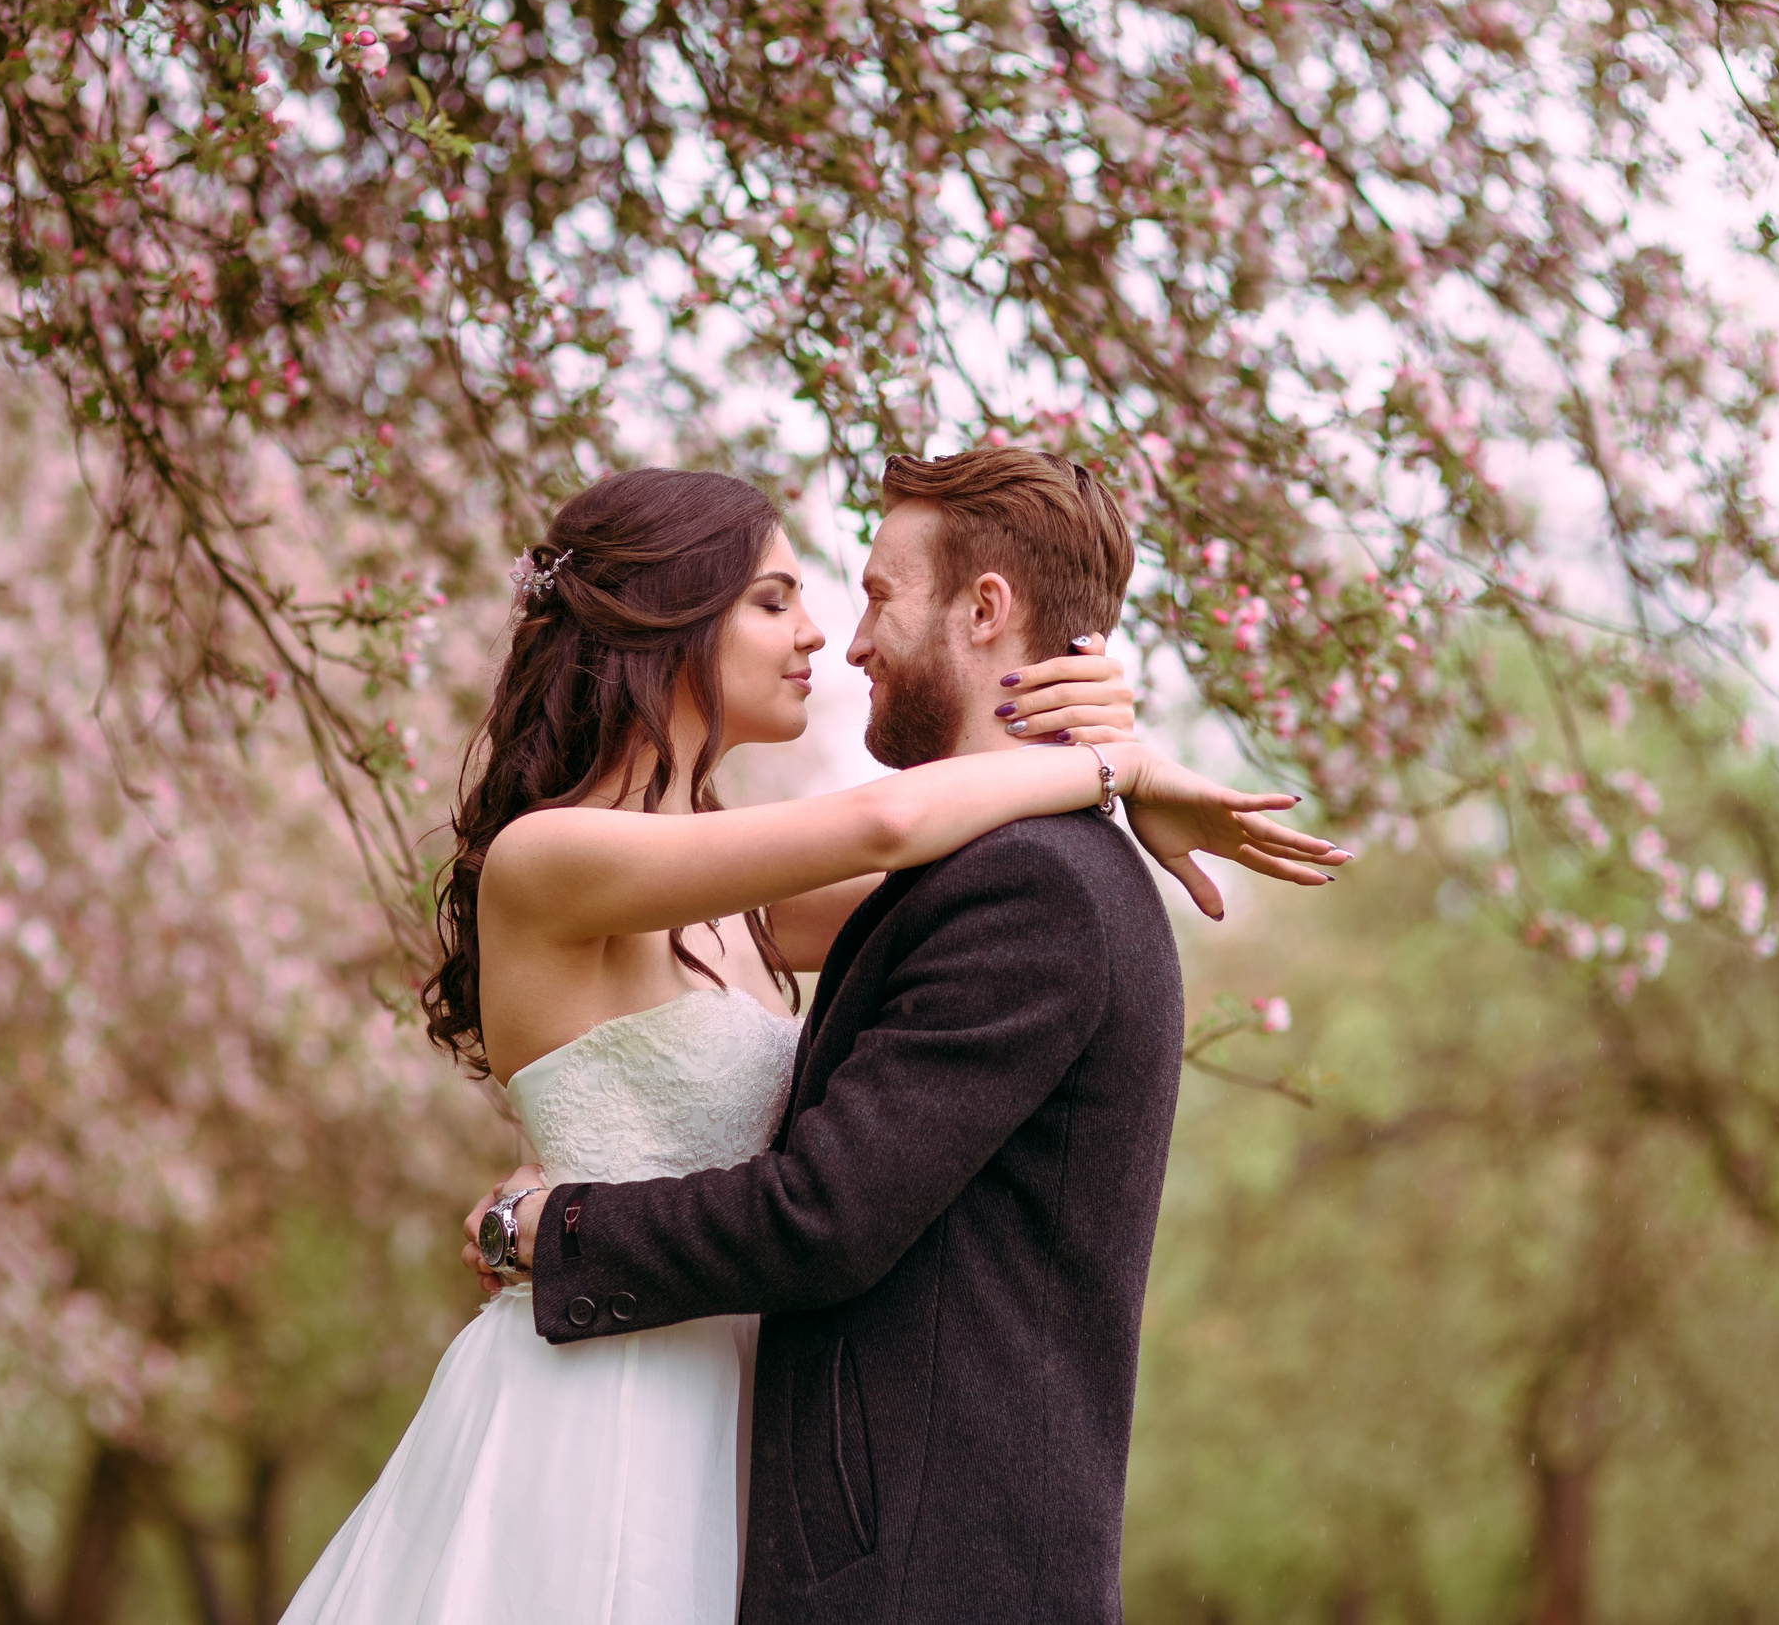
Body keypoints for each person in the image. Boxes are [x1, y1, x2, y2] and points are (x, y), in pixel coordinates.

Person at [277, 461, 1344, 1625]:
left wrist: (1097, 739)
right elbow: (891, 824)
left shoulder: (742, 898)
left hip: (742, 1417)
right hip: (609, 1400)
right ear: (670, 618)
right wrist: (1115, 763)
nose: (828, 636)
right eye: (774, 599)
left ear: (983, 608)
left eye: (850, 596)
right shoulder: (551, 858)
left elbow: (940, 886)